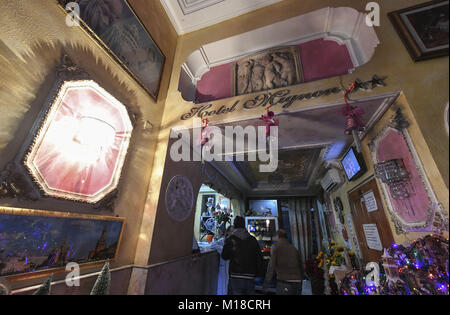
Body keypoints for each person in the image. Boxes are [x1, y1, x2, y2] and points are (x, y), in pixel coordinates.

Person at [221, 216, 264, 295]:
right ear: (244, 225)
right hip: (250, 276)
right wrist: (259, 274)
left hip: (235, 275)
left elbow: (224, 256)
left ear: (234, 225)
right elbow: (259, 258)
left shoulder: (230, 239)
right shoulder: (252, 239)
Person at [263, 229, 304, 295]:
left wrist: (266, 282)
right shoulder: (293, 248)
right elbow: (301, 265)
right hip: (298, 281)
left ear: (277, 236)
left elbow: (271, 266)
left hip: (284, 281)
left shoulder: (276, 247)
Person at [207, 228, 230, 295]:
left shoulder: (234, 241)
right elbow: (212, 245)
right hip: (224, 267)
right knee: (222, 286)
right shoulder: (223, 240)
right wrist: (222, 249)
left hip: (230, 268)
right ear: (227, 232)